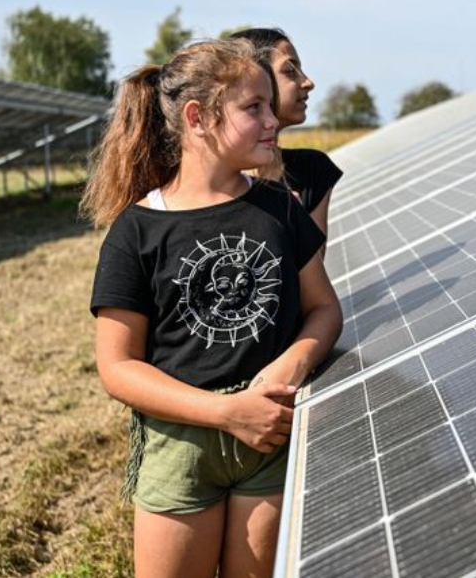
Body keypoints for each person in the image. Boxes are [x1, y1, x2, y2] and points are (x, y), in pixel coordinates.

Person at [80, 38, 341, 578]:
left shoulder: (279, 209)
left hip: (270, 436)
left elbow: (324, 309)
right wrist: (226, 412)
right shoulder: (137, 231)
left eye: (271, 104)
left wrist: (286, 367)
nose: (273, 120)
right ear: (198, 118)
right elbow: (117, 367)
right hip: (181, 445)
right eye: (254, 108)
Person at [229, 28, 343, 240]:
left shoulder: (311, 170)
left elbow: (310, 270)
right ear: (255, 77)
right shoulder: (211, 182)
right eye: (290, 71)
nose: (308, 82)